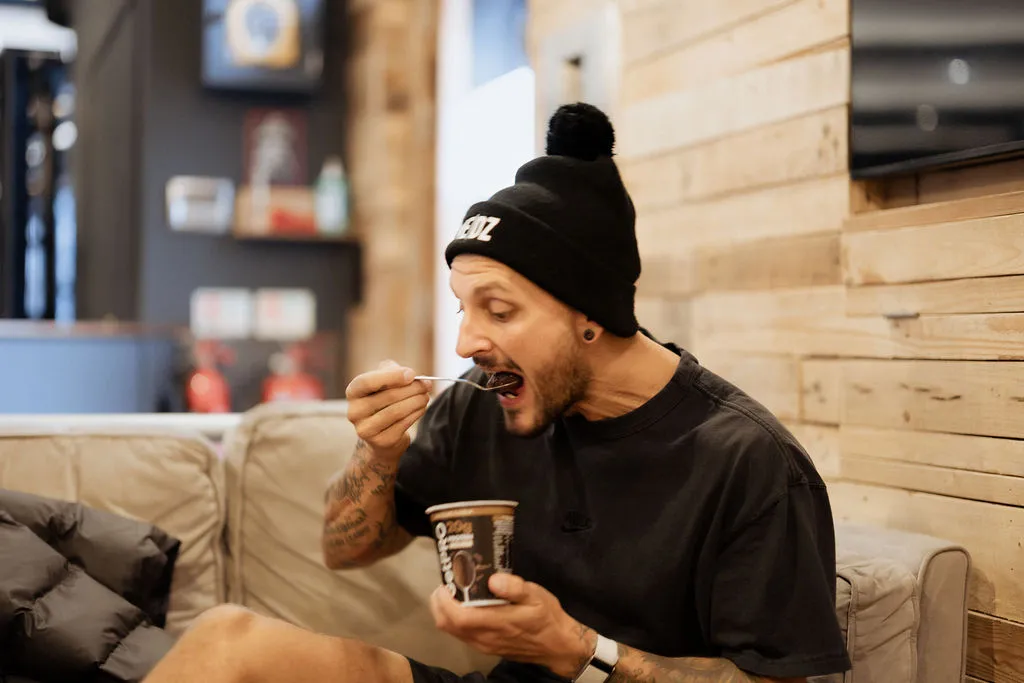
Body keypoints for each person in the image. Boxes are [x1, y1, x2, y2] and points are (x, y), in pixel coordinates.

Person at [142, 103, 851, 683]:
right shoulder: (484, 400)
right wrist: (377, 455)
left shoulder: (747, 461)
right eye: (463, 307)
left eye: (499, 310)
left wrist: (581, 650)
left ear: (590, 314)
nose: (465, 343)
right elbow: (344, 548)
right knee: (228, 638)